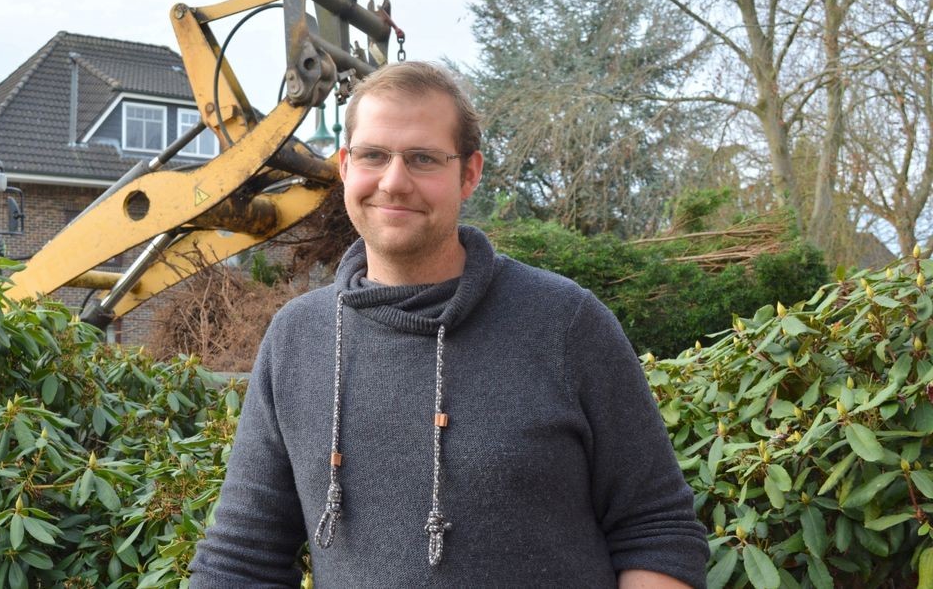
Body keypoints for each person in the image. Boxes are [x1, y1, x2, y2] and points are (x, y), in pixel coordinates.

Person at [188, 62, 709, 587]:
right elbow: (241, 558)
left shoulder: (565, 323)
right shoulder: (297, 339)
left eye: (423, 158)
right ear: (345, 167)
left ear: (469, 174)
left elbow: (657, 531)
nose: (394, 182)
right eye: (374, 156)